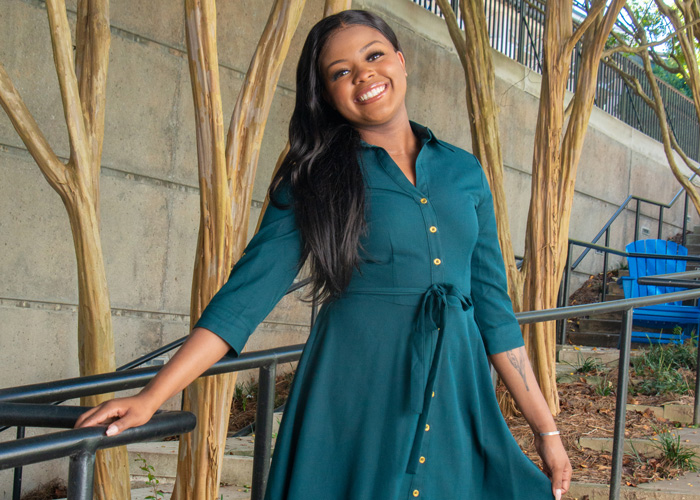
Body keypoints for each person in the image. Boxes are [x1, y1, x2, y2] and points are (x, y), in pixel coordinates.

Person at [77, 10, 572, 499]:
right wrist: (151, 398)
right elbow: (243, 300)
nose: (364, 75)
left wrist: (546, 432)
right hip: (353, 397)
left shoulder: (466, 172)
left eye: (374, 55)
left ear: (400, 61)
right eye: (341, 72)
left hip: (457, 392)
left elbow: (495, 314)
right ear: (328, 95)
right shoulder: (313, 177)